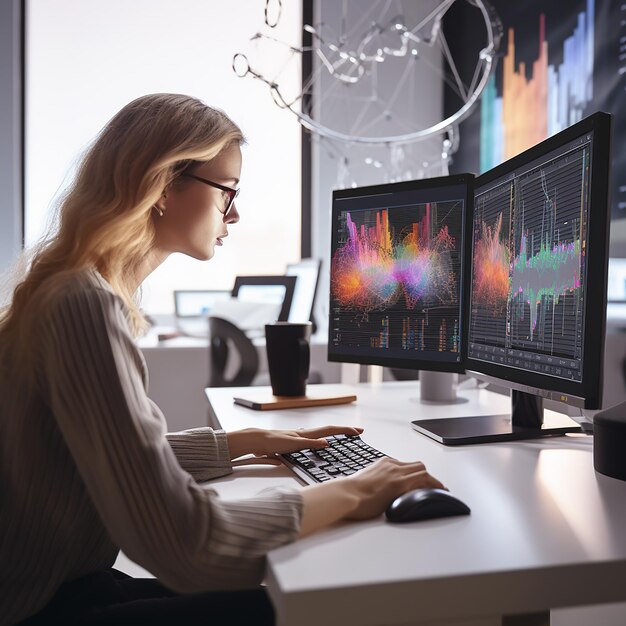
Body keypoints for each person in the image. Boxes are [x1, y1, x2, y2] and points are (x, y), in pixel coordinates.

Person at [0, 93, 443, 626]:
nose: (235, 211)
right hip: (39, 607)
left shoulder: (69, 289)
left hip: (59, 586)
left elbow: (94, 454)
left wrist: (238, 444)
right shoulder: (81, 304)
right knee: (353, 606)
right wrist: (356, 490)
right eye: (227, 190)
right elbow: (187, 544)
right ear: (163, 186)